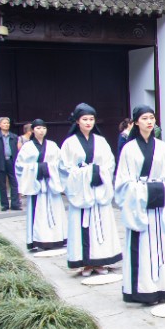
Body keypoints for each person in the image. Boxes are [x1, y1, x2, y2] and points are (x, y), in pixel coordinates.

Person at [115, 106, 165, 304]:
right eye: (144, 118)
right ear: (136, 122)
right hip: (140, 207)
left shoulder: (162, 147)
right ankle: (143, 290)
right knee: (142, 247)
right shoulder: (128, 149)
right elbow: (123, 182)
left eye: (152, 118)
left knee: (164, 245)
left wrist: (160, 188)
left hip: (160, 204)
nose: (149, 122)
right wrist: (142, 191)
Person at [59, 103, 123, 277]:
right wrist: (85, 173)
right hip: (81, 192)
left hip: (98, 190)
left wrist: (97, 170)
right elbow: (65, 168)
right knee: (82, 226)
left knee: (102, 225)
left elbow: (109, 164)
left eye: (91, 119)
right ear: (77, 121)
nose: (88, 122)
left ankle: (102, 260)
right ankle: (85, 263)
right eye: (85, 119)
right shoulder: (69, 144)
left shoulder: (101, 141)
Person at [15, 119, 66, 251]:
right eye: (38, 128)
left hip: (50, 183)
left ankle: (57, 238)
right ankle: (38, 239)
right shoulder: (27, 147)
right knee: (38, 212)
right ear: (32, 130)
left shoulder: (53, 145)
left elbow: (60, 164)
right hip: (36, 184)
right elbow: (20, 166)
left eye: (43, 128)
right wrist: (36, 168)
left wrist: (48, 167)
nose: (41, 131)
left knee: (55, 210)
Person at [0, 117, 21, 211]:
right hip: (1, 162)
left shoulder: (14, 136)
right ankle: (4, 204)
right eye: (4, 123)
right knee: (2, 184)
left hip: (11, 161)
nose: (6, 125)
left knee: (14, 183)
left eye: (7, 123)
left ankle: (15, 204)